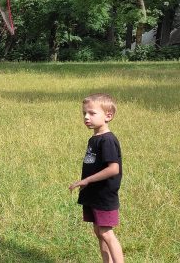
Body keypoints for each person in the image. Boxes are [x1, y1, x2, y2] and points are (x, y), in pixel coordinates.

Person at [69, 93, 124, 263]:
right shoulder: (94, 138)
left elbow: (114, 169)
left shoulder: (107, 140)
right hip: (93, 195)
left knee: (107, 233)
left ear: (108, 116)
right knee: (99, 232)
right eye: (84, 113)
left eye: (92, 113)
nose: (86, 117)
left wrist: (86, 180)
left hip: (104, 195)